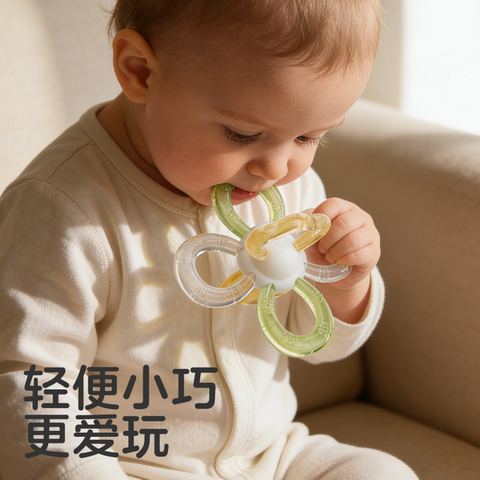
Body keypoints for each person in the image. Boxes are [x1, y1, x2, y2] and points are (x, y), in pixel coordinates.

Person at [0, 1, 418, 479]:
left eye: (309, 138)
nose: (277, 168)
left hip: (270, 458)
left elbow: (316, 343)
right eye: (243, 134)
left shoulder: (289, 193)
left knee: (381, 473)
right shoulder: (62, 210)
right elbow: (28, 383)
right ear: (140, 72)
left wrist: (344, 284)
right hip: (132, 464)